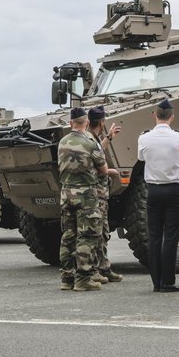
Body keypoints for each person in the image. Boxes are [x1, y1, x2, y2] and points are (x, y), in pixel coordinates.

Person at [58, 106, 120, 292]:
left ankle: (67, 278)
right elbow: (103, 170)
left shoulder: (62, 142)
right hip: (86, 196)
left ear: (70, 123)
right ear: (86, 123)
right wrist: (112, 172)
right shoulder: (90, 144)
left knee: (68, 236)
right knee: (87, 236)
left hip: (66, 194)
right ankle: (83, 279)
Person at [137, 97, 179, 293]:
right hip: (174, 191)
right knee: (170, 236)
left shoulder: (144, 138)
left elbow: (141, 158)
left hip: (153, 190)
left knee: (154, 236)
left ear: (155, 116)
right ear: (172, 117)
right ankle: (168, 281)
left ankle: (156, 282)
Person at [87, 106, 123, 283]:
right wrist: (110, 172)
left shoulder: (92, 139)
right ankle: (94, 269)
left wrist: (109, 138)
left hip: (101, 194)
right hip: (97, 194)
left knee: (103, 233)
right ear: (102, 122)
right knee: (96, 232)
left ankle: (104, 267)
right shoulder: (90, 140)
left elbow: (98, 151)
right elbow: (98, 166)